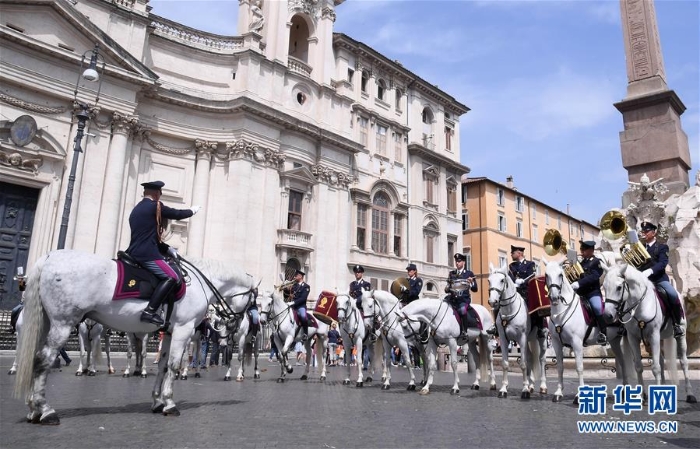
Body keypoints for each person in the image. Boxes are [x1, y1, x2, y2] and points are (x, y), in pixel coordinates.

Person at [126, 180, 200, 327]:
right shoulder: (155, 206)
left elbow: (147, 236)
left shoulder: (136, 209)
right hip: (147, 254)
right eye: (160, 193)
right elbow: (175, 214)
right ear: (156, 193)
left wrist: (167, 249)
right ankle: (150, 311)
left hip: (134, 250)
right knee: (172, 276)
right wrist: (191, 211)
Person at [638, 221, 685, 338]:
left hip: (659, 280)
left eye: (646, 231)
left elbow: (663, 263)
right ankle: (626, 327)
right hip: (644, 281)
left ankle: (676, 324)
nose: (644, 233)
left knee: (672, 294)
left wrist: (650, 271)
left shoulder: (662, 247)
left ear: (653, 233)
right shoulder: (640, 248)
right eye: (643, 231)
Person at [487, 245, 543, 337]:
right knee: (498, 304)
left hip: (525, 292)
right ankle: (496, 326)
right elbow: (509, 279)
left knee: (534, 304)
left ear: (519, 253)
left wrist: (523, 282)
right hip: (513, 291)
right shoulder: (511, 266)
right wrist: (514, 282)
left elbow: (532, 278)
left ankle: (540, 327)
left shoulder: (530, 264)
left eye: (512, 253)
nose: (511, 254)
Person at [570, 241, 607, 345]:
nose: (581, 252)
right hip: (580, 294)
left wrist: (579, 283)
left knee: (597, 307)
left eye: (584, 250)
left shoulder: (596, 262)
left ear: (591, 250)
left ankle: (603, 333)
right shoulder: (580, 263)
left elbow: (595, 276)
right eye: (581, 249)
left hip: (592, 292)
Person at [445, 253, 478, 339]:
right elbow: (447, 288)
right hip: (452, 299)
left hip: (463, 299)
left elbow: (475, 289)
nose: (457, 263)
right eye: (456, 261)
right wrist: (448, 288)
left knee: (463, 310)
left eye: (459, 261)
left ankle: (464, 331)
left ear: (463, 262)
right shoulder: (451, 273)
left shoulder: (469, 273)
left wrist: (471, 282)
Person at [290, 269, 311, 340]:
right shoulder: (294, 286)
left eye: (296, 276)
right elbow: (288, 294)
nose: (294, 277)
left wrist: (294, 302)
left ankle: (305, 333)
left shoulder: (306, 286)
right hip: (293, 306)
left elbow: (303, 298)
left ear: (300, 276)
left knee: (303, 316)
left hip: (301, 306)